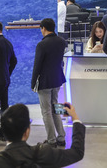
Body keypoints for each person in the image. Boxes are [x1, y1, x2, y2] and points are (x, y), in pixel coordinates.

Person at [0, 103, 85, 167]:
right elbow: (77, 153)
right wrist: (75, 117)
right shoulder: (44, 153)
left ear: (3, 132)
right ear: (27, 131)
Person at [31, 18, 68, 147]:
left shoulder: (42, 45)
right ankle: (61, 137)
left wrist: (33, 82)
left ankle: (51, 140)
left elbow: (37, 66)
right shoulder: (61, 42)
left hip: (45, 81)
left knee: (46, 111)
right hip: (57, 79)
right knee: (56, 108)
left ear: (43, 28)